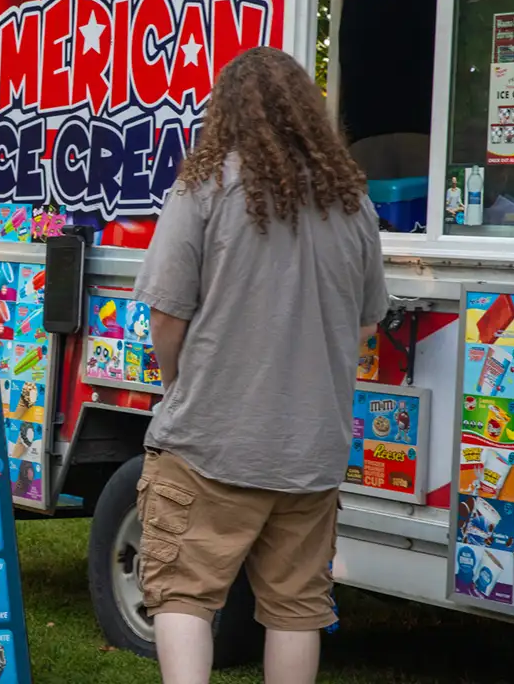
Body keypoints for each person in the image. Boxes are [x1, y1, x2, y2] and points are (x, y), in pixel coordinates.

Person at [131, 47, 388, 684]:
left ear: (227, 114)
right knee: (297, 608)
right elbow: (365, 321)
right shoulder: (351, 203)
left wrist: (176, 383)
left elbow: (166, 315)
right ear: (308, 112)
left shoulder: (203, 189)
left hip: (209, 441)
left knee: (184, 593)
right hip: (311, 452)